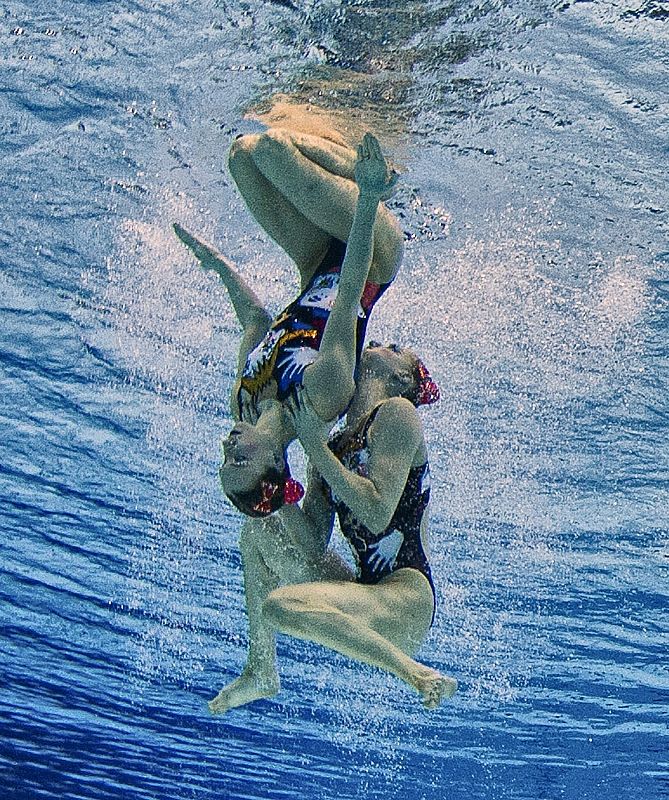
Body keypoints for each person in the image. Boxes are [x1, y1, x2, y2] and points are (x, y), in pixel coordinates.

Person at [210, 343, 457, 713]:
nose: (374, 344)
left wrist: (314, 448)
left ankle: (417, 675)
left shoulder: (398, 414)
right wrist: (280, 483)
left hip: (408, 600)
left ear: (400, 378)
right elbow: (311, 544)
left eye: (391, 349)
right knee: (259, 531)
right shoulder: (334, 445)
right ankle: (261, 669)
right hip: (365, 589)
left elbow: (377, 511)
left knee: (279, 607)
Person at [174, 128, 403, 517]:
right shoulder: (319, 398)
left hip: (315, 262)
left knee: (242, 156)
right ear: (278, 464)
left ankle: (353, 174)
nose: (228, 448)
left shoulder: (243, 403)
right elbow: (348, 294)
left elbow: (254, 319)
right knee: (274, 148)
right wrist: (366, 196)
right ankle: (374, 178)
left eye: (223, 461)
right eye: (239, 461)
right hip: (372, 257)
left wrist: (216, 265)